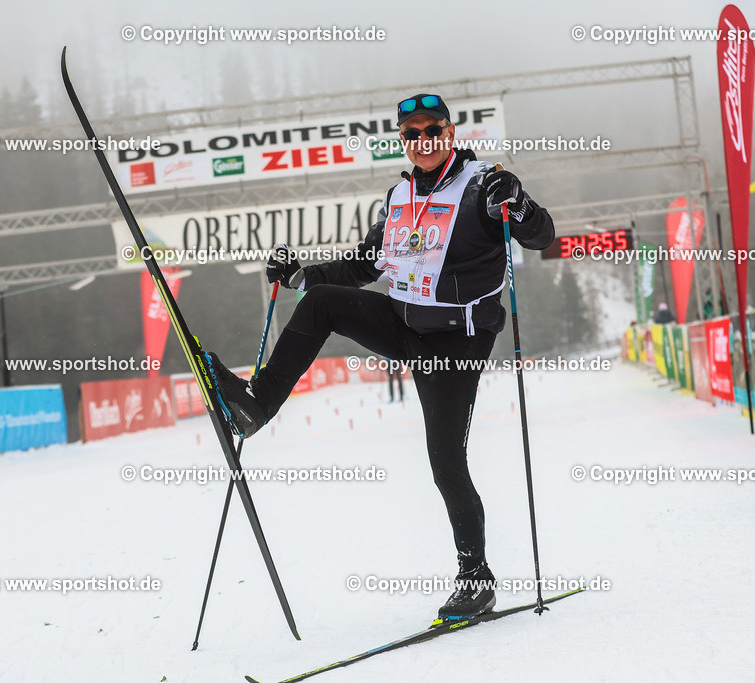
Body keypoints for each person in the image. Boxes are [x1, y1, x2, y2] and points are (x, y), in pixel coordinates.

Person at [204, 93, 555, 619]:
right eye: (411, 134)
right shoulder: (399, 195)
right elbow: (365, 265)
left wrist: (521, 205)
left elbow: (542, 235)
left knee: (445, 463)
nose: (423, 141)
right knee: (321, 303)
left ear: (450, 131)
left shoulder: (483, 185)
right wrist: (301, 274)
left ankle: (475, 578)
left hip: (454, 343)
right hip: (405, 322)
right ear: (403, 141)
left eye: (431, 129)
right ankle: (256, 405)